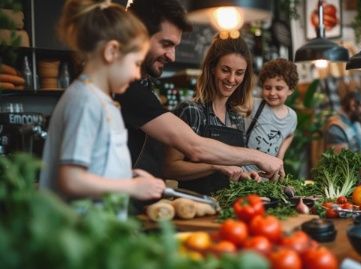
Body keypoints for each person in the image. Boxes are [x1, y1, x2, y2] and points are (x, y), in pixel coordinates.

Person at [114, 0, 283, 193]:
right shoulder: (126, 89)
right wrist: (258, 157)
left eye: (239, 73)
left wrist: (239, 170)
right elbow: (194, 147)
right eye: (166, 44)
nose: (172, 57)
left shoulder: (139, 87)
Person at [39, 0, 165, 207]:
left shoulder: (104, 101)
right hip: (77, 233)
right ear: (112, 52)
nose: (136, 74)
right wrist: (131, 187)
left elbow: (95, 167)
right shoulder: (84, 101)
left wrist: (126, 176)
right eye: (136, 63)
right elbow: (71, 179)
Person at [163, 35, 263, 195]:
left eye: (239, 73)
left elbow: (231, 168)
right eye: (225, 70)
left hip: (227, 208)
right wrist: (214, 167)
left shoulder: (237, 117)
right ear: (212, 68)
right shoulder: (191, 111)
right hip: (195, 207)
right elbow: (169, 167)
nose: (231, 79)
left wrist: (243, 174)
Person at [244, 58, 298, 175]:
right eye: (268, 88)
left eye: (279, 88)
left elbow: (290, 135)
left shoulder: (292, 116)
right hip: (244, 172)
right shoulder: (254, 104)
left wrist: (280, 157)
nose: (272, 93)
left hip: (266, 177)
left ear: (291, 90)